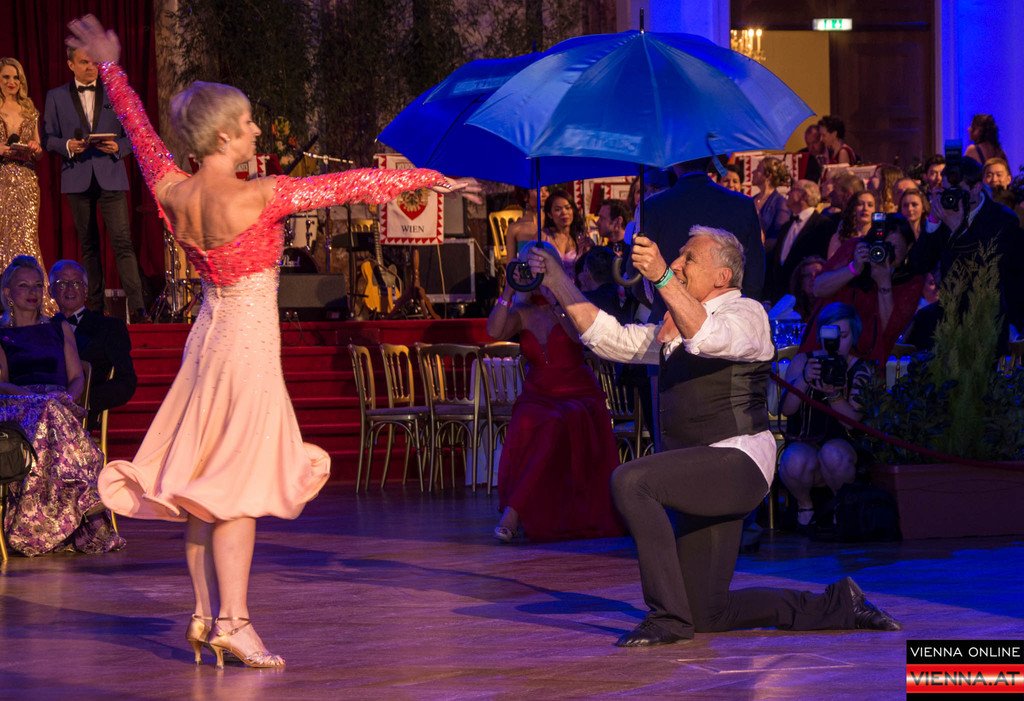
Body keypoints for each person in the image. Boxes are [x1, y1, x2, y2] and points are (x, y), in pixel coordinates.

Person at [66, 15, 474, 669]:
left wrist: (113, 70)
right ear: (224, 135)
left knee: (199, 484)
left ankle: (204, 613)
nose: (257, 131)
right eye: (249, 123)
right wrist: (428, 178)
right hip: (246, 352)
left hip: (206, 344)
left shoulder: (173, 190)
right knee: (238, 487)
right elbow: (348, 185)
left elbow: (140, 134)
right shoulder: (260, 195)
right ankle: (235, 621)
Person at [526, 229, 900, 647]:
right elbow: (610, 338)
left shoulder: (746, 313)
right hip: (701, 470)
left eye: (688, 258)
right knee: (707, 612)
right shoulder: (676, 326)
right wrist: (558, 280)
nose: (677, 264)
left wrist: (662, 276)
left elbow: (709, 336)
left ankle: (666, 617)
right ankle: (840, 604)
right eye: (677, 258)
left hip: (739, 464)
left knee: (631, 481)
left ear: (722, 276)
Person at [486, 259, 622, 543]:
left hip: (578, 393)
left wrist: (557, 297)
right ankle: (521, 510)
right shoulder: (523, 312)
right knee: (530, 420)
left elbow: (579, 338)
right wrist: (508, 290)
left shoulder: (571, 306)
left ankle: (513, 512)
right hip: (539, 393)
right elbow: (494, 332)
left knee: (555, 423)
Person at [0, 255, 125, 556]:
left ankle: (49, 527)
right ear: (8, 293)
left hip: (59, 405)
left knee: (54, 412)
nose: (32, 292)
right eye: (23, 286)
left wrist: (67, 398)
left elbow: (77, 377)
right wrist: (37, 398)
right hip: (19, 403)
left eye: (37, 286)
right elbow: (1, 382)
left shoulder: (59, 328)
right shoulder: (2, 333)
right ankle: (90, 507)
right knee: (49, 411)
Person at [43, 45, 149, 323]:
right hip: (77, 176)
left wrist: (119, 147)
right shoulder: (56, 96)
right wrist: (68, 145)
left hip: (110, 174)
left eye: (94, 62)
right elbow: (48, 138)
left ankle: (139, 310)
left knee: (122, 242)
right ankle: (94, 310)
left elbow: (134, 132)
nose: (91, 67)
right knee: (89, 245)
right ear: (70, 65)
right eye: (84, 62)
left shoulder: (115, 92)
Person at [910, 155, 1024, 344]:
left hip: (989, 321)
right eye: (946, 191)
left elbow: (988, 273)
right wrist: (932, 221)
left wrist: (958, 229)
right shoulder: (944, 214)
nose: (951, 197)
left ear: (976, 187)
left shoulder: (1002, 219)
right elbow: (918, 264)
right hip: (950, 319)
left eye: (957, 191)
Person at [779, 303, 872, 529]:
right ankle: (805, 506)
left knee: (832, 454)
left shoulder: (860, 368)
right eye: (831, 335)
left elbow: (853, 423)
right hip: (805, 442)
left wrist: (834, 395)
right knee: (794, 460)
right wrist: (804, 379)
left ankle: (841, 506)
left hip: (843, 446)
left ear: (854, 336)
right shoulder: (804, 361)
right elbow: (787, 410)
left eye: (844, 336)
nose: (836, 343)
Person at [809, 214, 923, 365]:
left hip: (869, 362)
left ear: (908, 247)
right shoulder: (855, 249)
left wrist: (884, 283)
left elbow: (888, 331)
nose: (883, 252)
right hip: (825, 349)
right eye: (881, 245)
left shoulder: (912, 281)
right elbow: (818, 289)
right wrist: (853, 269)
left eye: (892, 247)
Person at [50, 259, 137, 428]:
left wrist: (82, 401)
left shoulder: (109, 327)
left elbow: (126, 382)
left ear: (86, 290)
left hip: (80, 418)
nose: (70, 288)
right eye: (62, 283)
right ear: (50, 291)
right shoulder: (44, 327)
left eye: (76, 283)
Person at [0, 58, 48, 299]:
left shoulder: (30, 110)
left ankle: (33, 297)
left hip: (26, 181)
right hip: (1, 179)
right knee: (3, 238)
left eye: (16, 77)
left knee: (27, 238)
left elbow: (39, 149)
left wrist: (35, 149)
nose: (12, 82)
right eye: (6, 77)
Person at [765, 179, 832, 302]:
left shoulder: (823, 224)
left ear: (804, 195)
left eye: (793, 190)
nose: (788, 193)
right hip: (781, 297)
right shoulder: (786, 226)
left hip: (806, 296)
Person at [752, 156, 791, 247]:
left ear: (768, 175)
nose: (753, 172)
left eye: (758, 170)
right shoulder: (752, 200)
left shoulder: (780, 203)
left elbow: (780, 235)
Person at [827, 191, 876, 259]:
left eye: (870, 205)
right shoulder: (839, 237)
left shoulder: (881, 237)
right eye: (860, 204)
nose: (865, 208)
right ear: (853, 208)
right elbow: (831, 264)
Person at [789, 256, 826, 321]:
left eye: (818, 274)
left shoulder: (832, 308)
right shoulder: (792, 313)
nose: (813, 278)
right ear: (801, 282)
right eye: (808, 275)